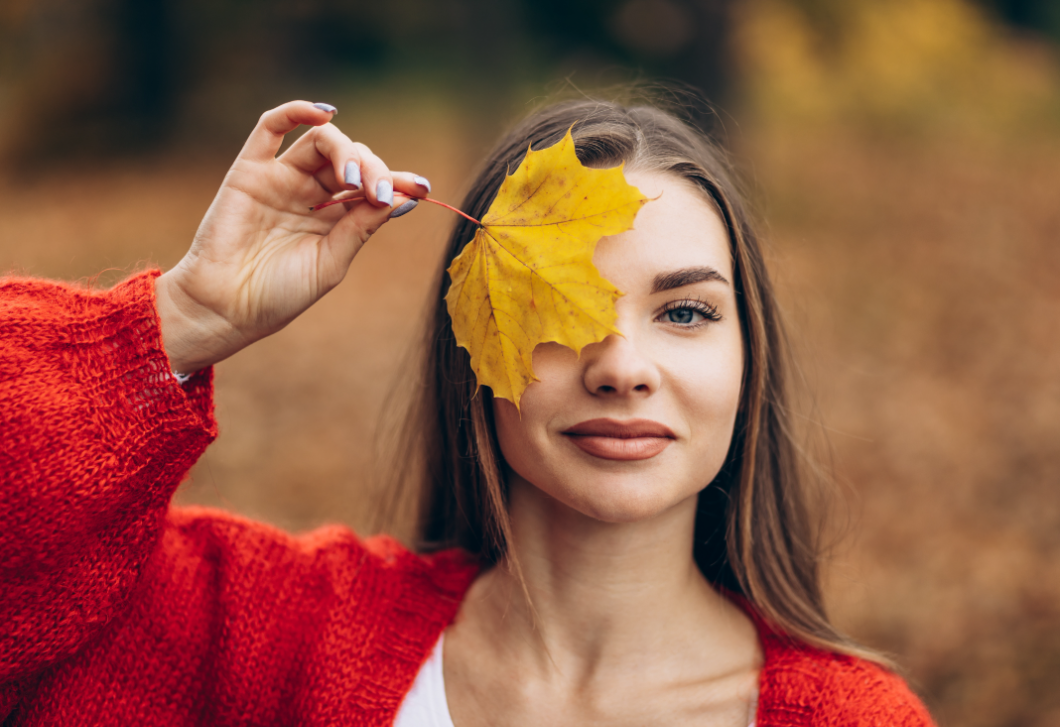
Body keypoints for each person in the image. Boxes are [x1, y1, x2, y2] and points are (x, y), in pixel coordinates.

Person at [0, 98, 936, 726]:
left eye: (685, 311)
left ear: (748, 358)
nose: (622, 367)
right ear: (474, 346)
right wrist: (182, 320)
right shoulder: (263, 634)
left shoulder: (854, 716)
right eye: (554, 313)